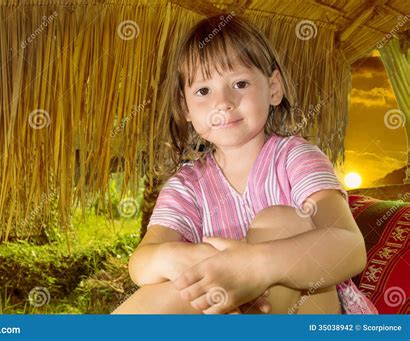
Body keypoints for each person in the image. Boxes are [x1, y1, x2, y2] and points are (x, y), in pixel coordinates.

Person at [112, 13, 378, 314]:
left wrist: (255, 265)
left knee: (280, 222)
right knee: (177, 283)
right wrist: (192, 260)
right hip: (227, 309)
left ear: (274, 88)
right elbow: (142, 263)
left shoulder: (295, 158)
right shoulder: (187, 186)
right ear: (185, 107)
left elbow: (350, 247)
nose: (223, 101)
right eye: (203, 91)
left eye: (239, 83)